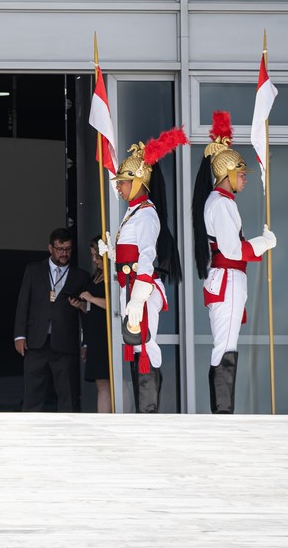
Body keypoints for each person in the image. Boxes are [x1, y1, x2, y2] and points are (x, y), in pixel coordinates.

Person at [191, 111, 277, 413]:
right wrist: (262, 244)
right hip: (227, 277)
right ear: (225, 173)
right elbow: (232, 250)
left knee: (226, 344)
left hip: (226, 278)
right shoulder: (221, 203)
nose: (244, 178)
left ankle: (222, 410)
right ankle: (223, 412)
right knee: (225, 346)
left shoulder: (220, 202)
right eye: (240, 173)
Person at [100, 129, 185, 413]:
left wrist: (137, 298)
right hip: (131, 285)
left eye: (124, 183)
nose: (119, 188)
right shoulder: (133, 211)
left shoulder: (147, 213)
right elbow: (130, 254)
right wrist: (111, 252)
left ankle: (149, 412)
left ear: (138, 182)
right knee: (137, 346)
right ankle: (143, 411)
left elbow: (147, 256)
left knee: (146, 346)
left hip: (142, 288)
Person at [14, 227, 91, 412]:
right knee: (32, 393)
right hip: (35, 341)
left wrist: (86, 342)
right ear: (50, 248)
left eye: (68, 249)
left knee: (68, 394)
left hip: (65, 343)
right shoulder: (34, 270)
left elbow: (86, 314)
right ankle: (30, 431)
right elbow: (23, 304)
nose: (64, 253)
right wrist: (19, 336)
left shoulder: (81, 276)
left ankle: (68, 433)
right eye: (60, 249)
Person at [74, 236, 112, 413]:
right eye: (92, 256)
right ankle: (104, 421)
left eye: (97, 256)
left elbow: (113, 305)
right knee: (101, 383)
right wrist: (81, 305)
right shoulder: (96, 276)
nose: (95, 260)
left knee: (117, 381)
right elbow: (93, 307)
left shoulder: (115, 276)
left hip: (108, 335)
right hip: (94, 334)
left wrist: (90, 298)